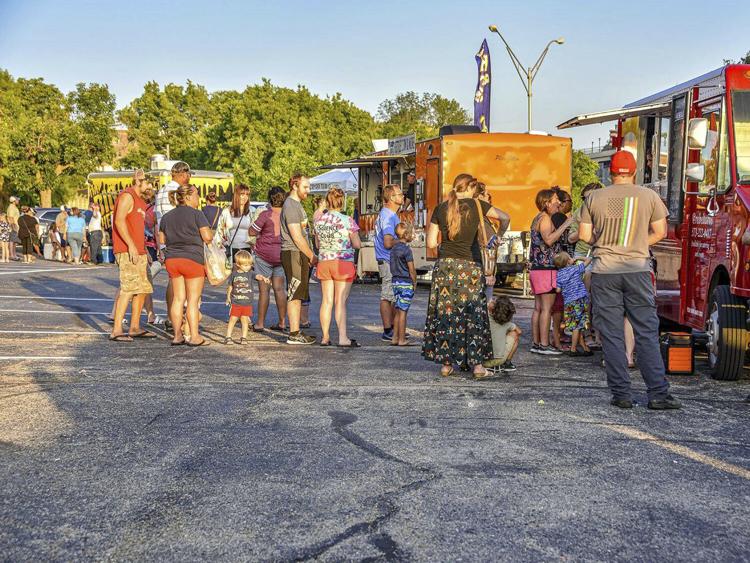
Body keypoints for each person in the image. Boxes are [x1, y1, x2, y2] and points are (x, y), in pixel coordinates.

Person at [578, 150, 681, 410]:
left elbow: (583, 234)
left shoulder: (593, 197)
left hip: (604, 271)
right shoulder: (648, 196)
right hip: (637, 270)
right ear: (634, 172)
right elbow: (660, 231)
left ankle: (621, 394)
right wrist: (635, 243)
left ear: (610, 173)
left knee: (611, 335)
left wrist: (605, 244)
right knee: (645, 332)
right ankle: (658, 393)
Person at [423, 173, 510, 378]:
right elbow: (505, 217)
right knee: (473, 315)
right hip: (470, 267)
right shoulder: (478, 205)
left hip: (445, 267)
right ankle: (478, 366)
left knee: (446, 313)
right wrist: (498, 235)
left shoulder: (441, 208)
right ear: (471, 188)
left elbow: (431, 243)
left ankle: (446, 364)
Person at [159, 184, 214, 347]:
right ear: (188, 197)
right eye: (197, 195)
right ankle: (195, 336)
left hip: (172, 260)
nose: (199, 198)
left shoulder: (167, 216)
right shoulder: (197, 214)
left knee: (178, 298)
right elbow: (207, 237)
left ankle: (177, 336)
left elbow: (162, 240)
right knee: (192, 300)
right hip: (192, 259)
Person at [109, 169, 156, 343]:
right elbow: (119, 221)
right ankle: (117, 330)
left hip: (139, 251)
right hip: (127, 250)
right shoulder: (127, 196)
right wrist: (130, 245)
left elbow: (137, 228)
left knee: (143, 288)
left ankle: (135, 327)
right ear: (139, 181)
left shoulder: (141, 201)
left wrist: (143, 248)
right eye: (148, 184)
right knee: (128, 289)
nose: (151, 188)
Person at [314, 186, 361, 347]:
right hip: (343, 262)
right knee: (340, 301)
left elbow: (318, 244)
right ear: (342, 201)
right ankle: (343, 338)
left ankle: (325, 337)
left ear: (327, 202)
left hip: (324, 261)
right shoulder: (348, 220)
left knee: (326, 301)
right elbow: (356, 244)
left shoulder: (319, 220)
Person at [529, 189, 572, 355]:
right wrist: (567, 224)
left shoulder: (538, 218)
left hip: (537, 269)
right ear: (546, 202)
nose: (559, 203)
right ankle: (545, 344)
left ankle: (536, 342)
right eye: (555, 200)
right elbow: (549, 240)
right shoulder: (545, 219)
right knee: (547, 308)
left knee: (538, 308)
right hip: (546, 268)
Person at [280, 173, 316, 345]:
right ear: (294, 186)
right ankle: (293, 333)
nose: (308, 190)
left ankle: (296, 331)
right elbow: (296, 236)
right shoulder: (290, 205)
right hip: (293, 252)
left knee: (299, 293)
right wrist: (312, 255)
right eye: (305, 187)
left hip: (299, 253)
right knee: (294, 293)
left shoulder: (297, 205)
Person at [156, 161, 192, 331]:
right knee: (179, 285)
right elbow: (178, 217)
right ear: (183, 174)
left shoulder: (161, 190)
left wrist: (160, 246)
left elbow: (158, 221)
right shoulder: (175, 192)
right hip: (178, 241)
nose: (189, 178)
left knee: (173, 280)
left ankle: (172, 317)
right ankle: (176, 319)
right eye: (189, 175)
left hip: (165, 240)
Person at [249, 186, 288, 332]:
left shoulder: (265, 214)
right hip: (281, 255)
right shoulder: (287, 215)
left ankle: (260, 323)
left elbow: (252, 231)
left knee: (264, 291)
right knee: (279, 289)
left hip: (264, 256)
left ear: (269, 199)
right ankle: (283, 322)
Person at [374, 184, 404, 341]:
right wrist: (403, 240)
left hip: (388, 260)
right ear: (391, 198)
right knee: (387, 296)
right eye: (399, 194)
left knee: (391, 295)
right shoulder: (389, 216)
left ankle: (393, 328)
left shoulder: (389, 214)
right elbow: (387, 242)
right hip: (387, 259)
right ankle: (388, 330)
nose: (403, 196)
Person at [224, 250, 269, 345]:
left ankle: (244, 337)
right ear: (238, 264)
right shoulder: (234, 274)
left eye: (249, 264)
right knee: (233, 319)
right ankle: (228, 337)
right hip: (236, 302)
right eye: (245, 265)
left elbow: (258, 276)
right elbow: (230, 287)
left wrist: (263, 278)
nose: (248, 267)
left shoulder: (250, 273)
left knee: (245, 320)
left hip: (247, 302)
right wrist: (228, 297)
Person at [554, 252, 593, 357]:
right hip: (579, 300)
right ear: (568, 262)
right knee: (577, 325)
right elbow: (589, 259)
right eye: (570, 258)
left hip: (568, 302)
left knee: (576, 324)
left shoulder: (559, 274)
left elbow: (558, 290)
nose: (572, 259)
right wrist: (578, 257)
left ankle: (584, 347)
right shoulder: (575, 269)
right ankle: (573, 348)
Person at [473, 182, 504, 300]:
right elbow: (486, 247)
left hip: (478, 268)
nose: (489, 198)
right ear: (479, 197)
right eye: (487, 195)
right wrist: (489, 273)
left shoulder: (479, 218)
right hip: (484, 269)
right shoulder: (482, 222)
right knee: (485, 303)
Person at [389, 222, 416, 347]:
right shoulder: (407, 250)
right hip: (405, 282)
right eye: (411, 233)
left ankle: (394, 337)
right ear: (406, 235)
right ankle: (401, 339)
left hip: (395, 281)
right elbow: (411, 269)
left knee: (398, 309)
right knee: (404, 312)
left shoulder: (393, 249)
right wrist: (414, 282)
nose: (413, 235)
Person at [481, 296, 522, 376]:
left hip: (481, 361)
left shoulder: (484, 317)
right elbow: (519, 332)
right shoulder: (507, 324)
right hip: (498, 360)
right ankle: (507, 363)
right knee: (514, 334)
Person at [216, 184, 253, 259]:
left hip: (247, 250)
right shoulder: (227, 212)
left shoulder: (251, 212)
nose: (245, 197)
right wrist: (218, 250)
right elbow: (220, 232)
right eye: (242, 194)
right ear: (237, 195)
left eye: (247, 194)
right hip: (231, 249)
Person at [6, 196, 20, 261]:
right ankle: (11, 255)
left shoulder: (14, 207)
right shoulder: (11, 208)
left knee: (15, 241)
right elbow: (11, 218)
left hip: (16, 226)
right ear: (14, 201)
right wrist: (13, 226)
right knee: (12, 241)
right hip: (13, 226)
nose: (18, 201)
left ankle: (14, 254)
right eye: (17, 200)